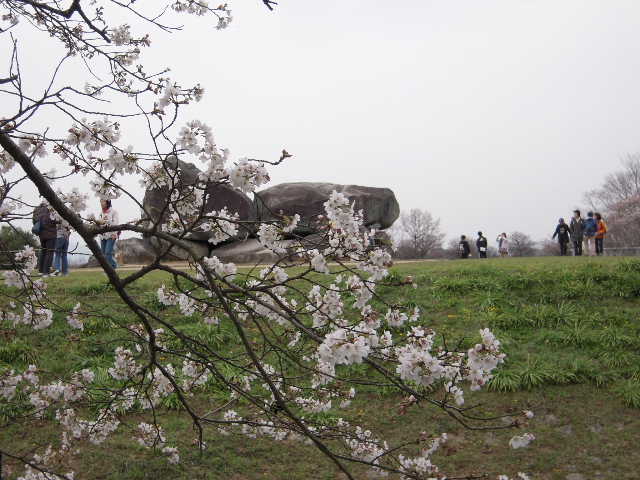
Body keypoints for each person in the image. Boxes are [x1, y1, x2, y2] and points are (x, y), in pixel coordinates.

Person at [35, 203, 57, 276]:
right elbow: (55, 220)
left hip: (42, 235)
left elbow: (35, 221)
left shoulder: (38, 211)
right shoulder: (50, 211)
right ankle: (46, 272)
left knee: (43, 252)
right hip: (51, 235)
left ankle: (40, 271)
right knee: (49, 253)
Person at [98, 199, 120, 269]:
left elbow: (115, 223)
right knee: (103, 255)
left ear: (108, 202)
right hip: (103, 236)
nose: (101, 203)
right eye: (100, 201)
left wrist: (108, 221)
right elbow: (100, 224)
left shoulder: (114, 212)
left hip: (111, 235)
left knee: (108, 253)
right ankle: (108, 270)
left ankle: (114, 266)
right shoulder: (101, 213)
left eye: (103, 201)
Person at [32, 199, 49, 271]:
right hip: (48, 232)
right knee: (48, 251)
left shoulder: (36, 209)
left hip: (40, 232)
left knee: (43, 250)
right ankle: (46, 269)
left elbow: (33, 220)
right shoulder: (47, 209)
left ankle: (40, 269)